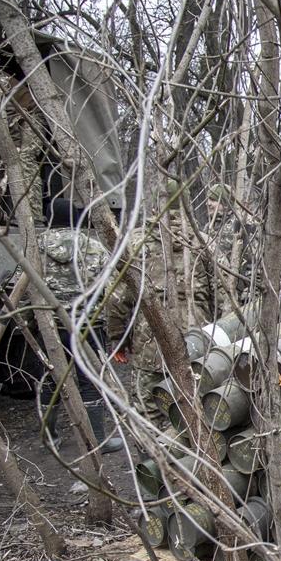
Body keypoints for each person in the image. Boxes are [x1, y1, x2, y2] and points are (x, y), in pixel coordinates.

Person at [107, 181, 217, 429]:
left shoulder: (135, 243)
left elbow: (116, 298)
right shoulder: (203, 242)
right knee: (197, 414)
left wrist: (117, 338)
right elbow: (222, 295)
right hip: (198, 346)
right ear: (187, 203)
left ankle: (156, 466)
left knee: (149, 417)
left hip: (150, 348)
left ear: (156, 201)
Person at [36, 203, 123, 453]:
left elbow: (24, 286)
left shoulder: (35, 248)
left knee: (49, 379)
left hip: (50, 325)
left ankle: (48, 438)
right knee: (90, 381)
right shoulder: (92, 247)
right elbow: (109, 286)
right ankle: (97, 440)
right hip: (89, 325)